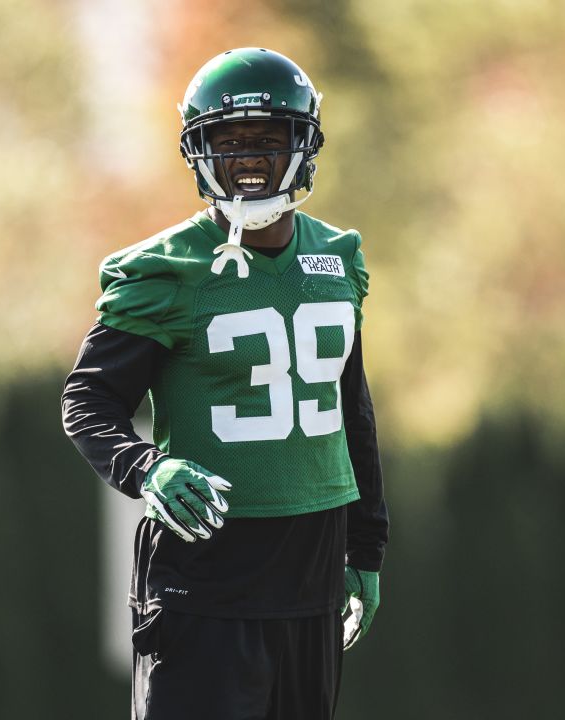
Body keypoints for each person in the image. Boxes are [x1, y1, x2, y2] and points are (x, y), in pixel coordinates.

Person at [62, 47, 389, 720]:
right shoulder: (165, 271)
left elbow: (350, 411)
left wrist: (368, 547)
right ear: (198, 151)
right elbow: (88, 400)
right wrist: (146, 468)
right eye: (227, 140)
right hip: (204, 576)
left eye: (266, 140)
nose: (246, 157)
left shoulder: (338, 259)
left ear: (303, 144)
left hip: (312, 566)